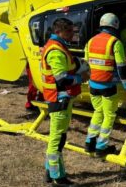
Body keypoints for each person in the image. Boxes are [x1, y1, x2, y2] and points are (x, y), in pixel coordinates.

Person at [40, 18, 84, 186]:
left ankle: (49, 172)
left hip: (58, 98)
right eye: (70, 31)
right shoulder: (56, 50)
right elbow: (62, 79)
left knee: (55, 137)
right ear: (59, 31)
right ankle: (58, 177)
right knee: (58, 139)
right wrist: (81, 77)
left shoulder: (57, 46)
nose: (73, 34)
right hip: (59, 98)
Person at [84, 13, 126, 156]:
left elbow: (86, 65)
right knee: (109, 115)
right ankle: (101, 147)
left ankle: (89, 142)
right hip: (108, 86)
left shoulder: (90, 41)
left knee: (98, 112)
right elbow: (122, 68)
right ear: (115, 25)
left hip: (93, 85)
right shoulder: (115, 42)